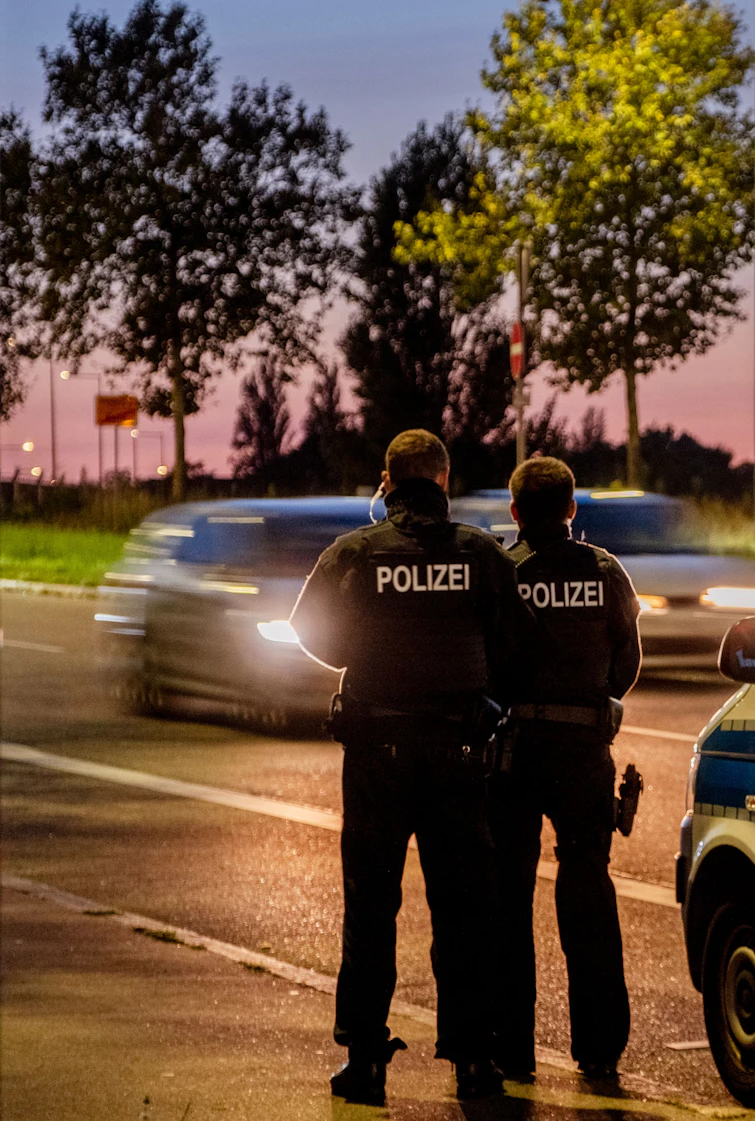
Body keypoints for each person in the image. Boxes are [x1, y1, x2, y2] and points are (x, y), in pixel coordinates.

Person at [290, 429, 532, 1104]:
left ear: (387, 481)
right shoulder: (482, 555)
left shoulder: (355, 553)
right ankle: (475, 1061)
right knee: (464, 910)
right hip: (460, 757)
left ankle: (365, 1061)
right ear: (444, 480)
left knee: (372, 909)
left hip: (378, 756)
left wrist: (359, 654)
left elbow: (307, 630)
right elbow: (514, 643)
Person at [491, 457, 641, 1084]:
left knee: (506, 898)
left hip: (516, 749)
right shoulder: (606, 572)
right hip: (583, 752)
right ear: (573, 509)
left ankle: (510, 1051)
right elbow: (626, 664)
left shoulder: (503, 572)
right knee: (588, 891)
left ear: (516, 512)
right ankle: (600, 1047)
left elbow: (485, 658)